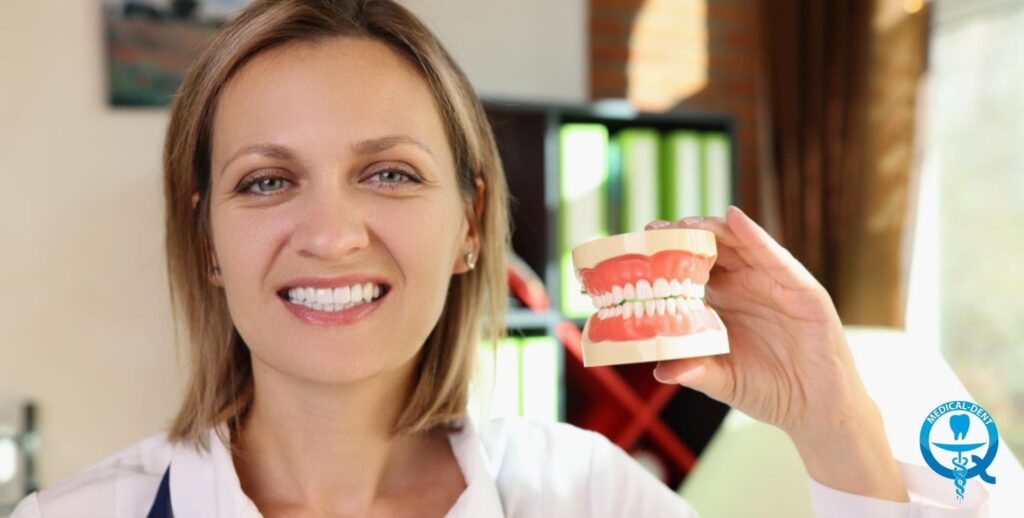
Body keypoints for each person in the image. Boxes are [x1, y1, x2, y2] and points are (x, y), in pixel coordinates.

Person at [11, 0, 989, 516]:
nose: (333, 231)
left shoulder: (586, 493)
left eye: (388, 173)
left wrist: (835, 422)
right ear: (208, 242)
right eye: (266, 181)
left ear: (472, 222)